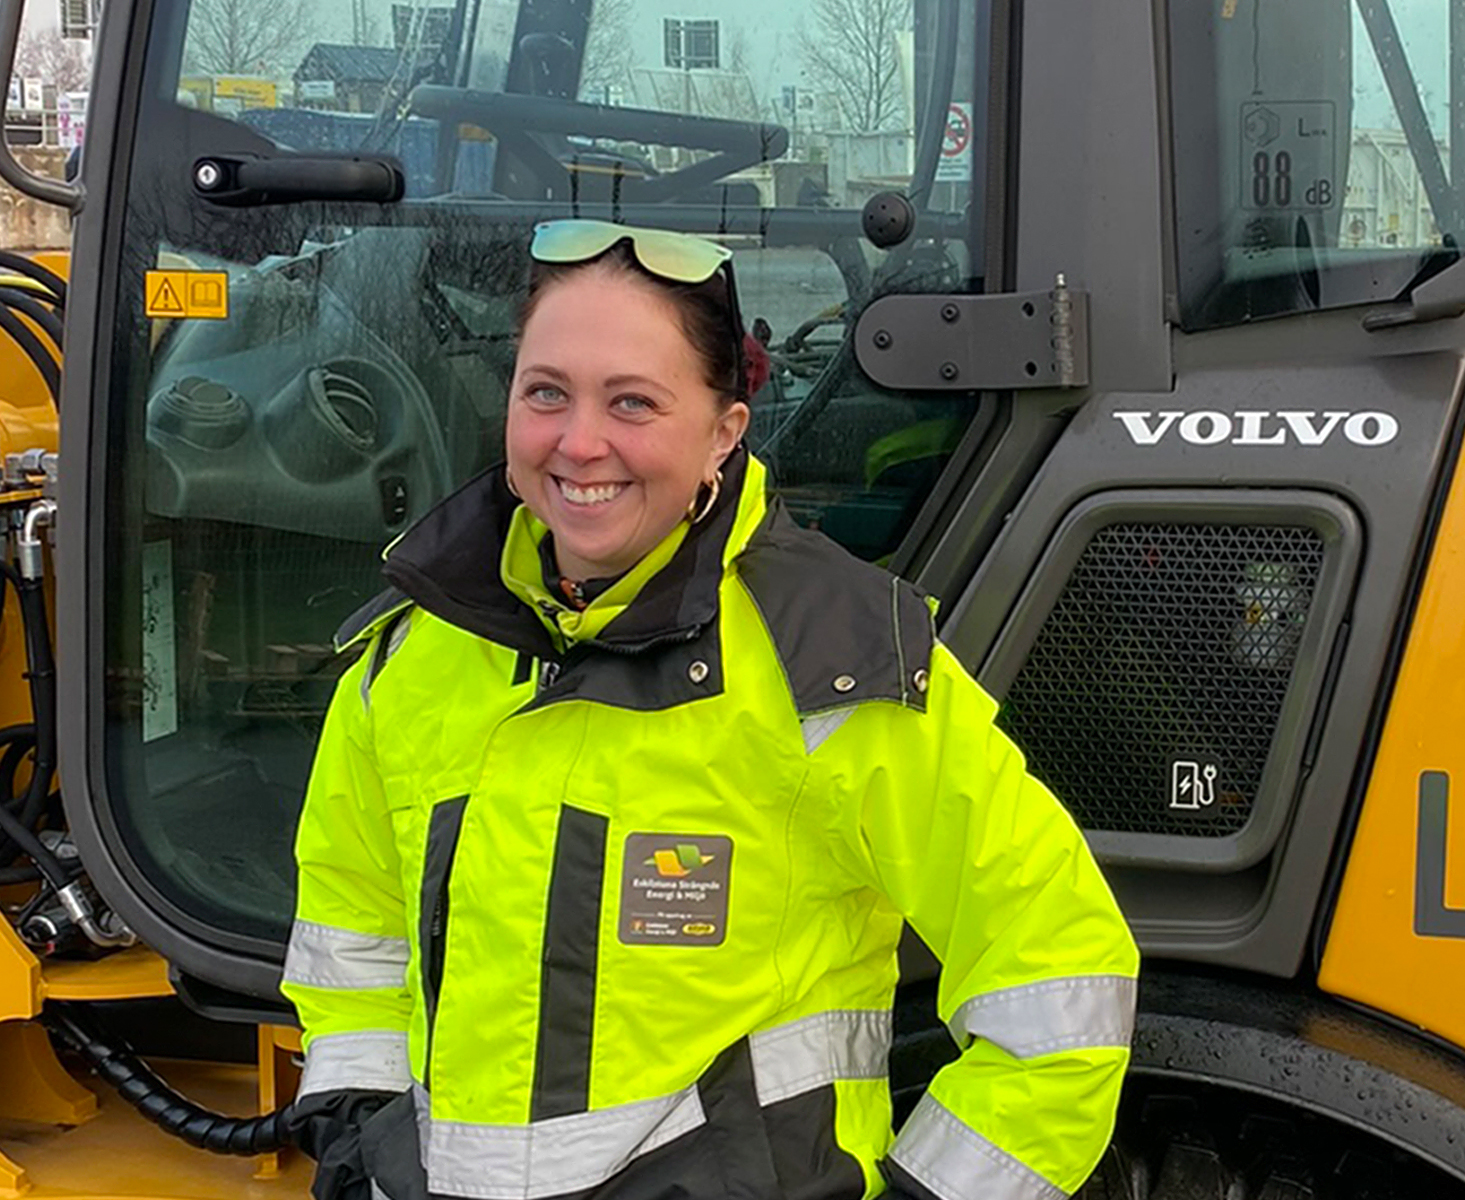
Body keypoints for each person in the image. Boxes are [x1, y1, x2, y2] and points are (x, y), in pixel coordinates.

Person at [277, 220, 1139, 1200]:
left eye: (633, 402)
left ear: (723, 431)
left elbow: (1059, 982)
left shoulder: (835, 665)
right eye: (545, 392)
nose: (579, 442)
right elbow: (353, 936)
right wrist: (357, 1137)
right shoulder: (410, 657)